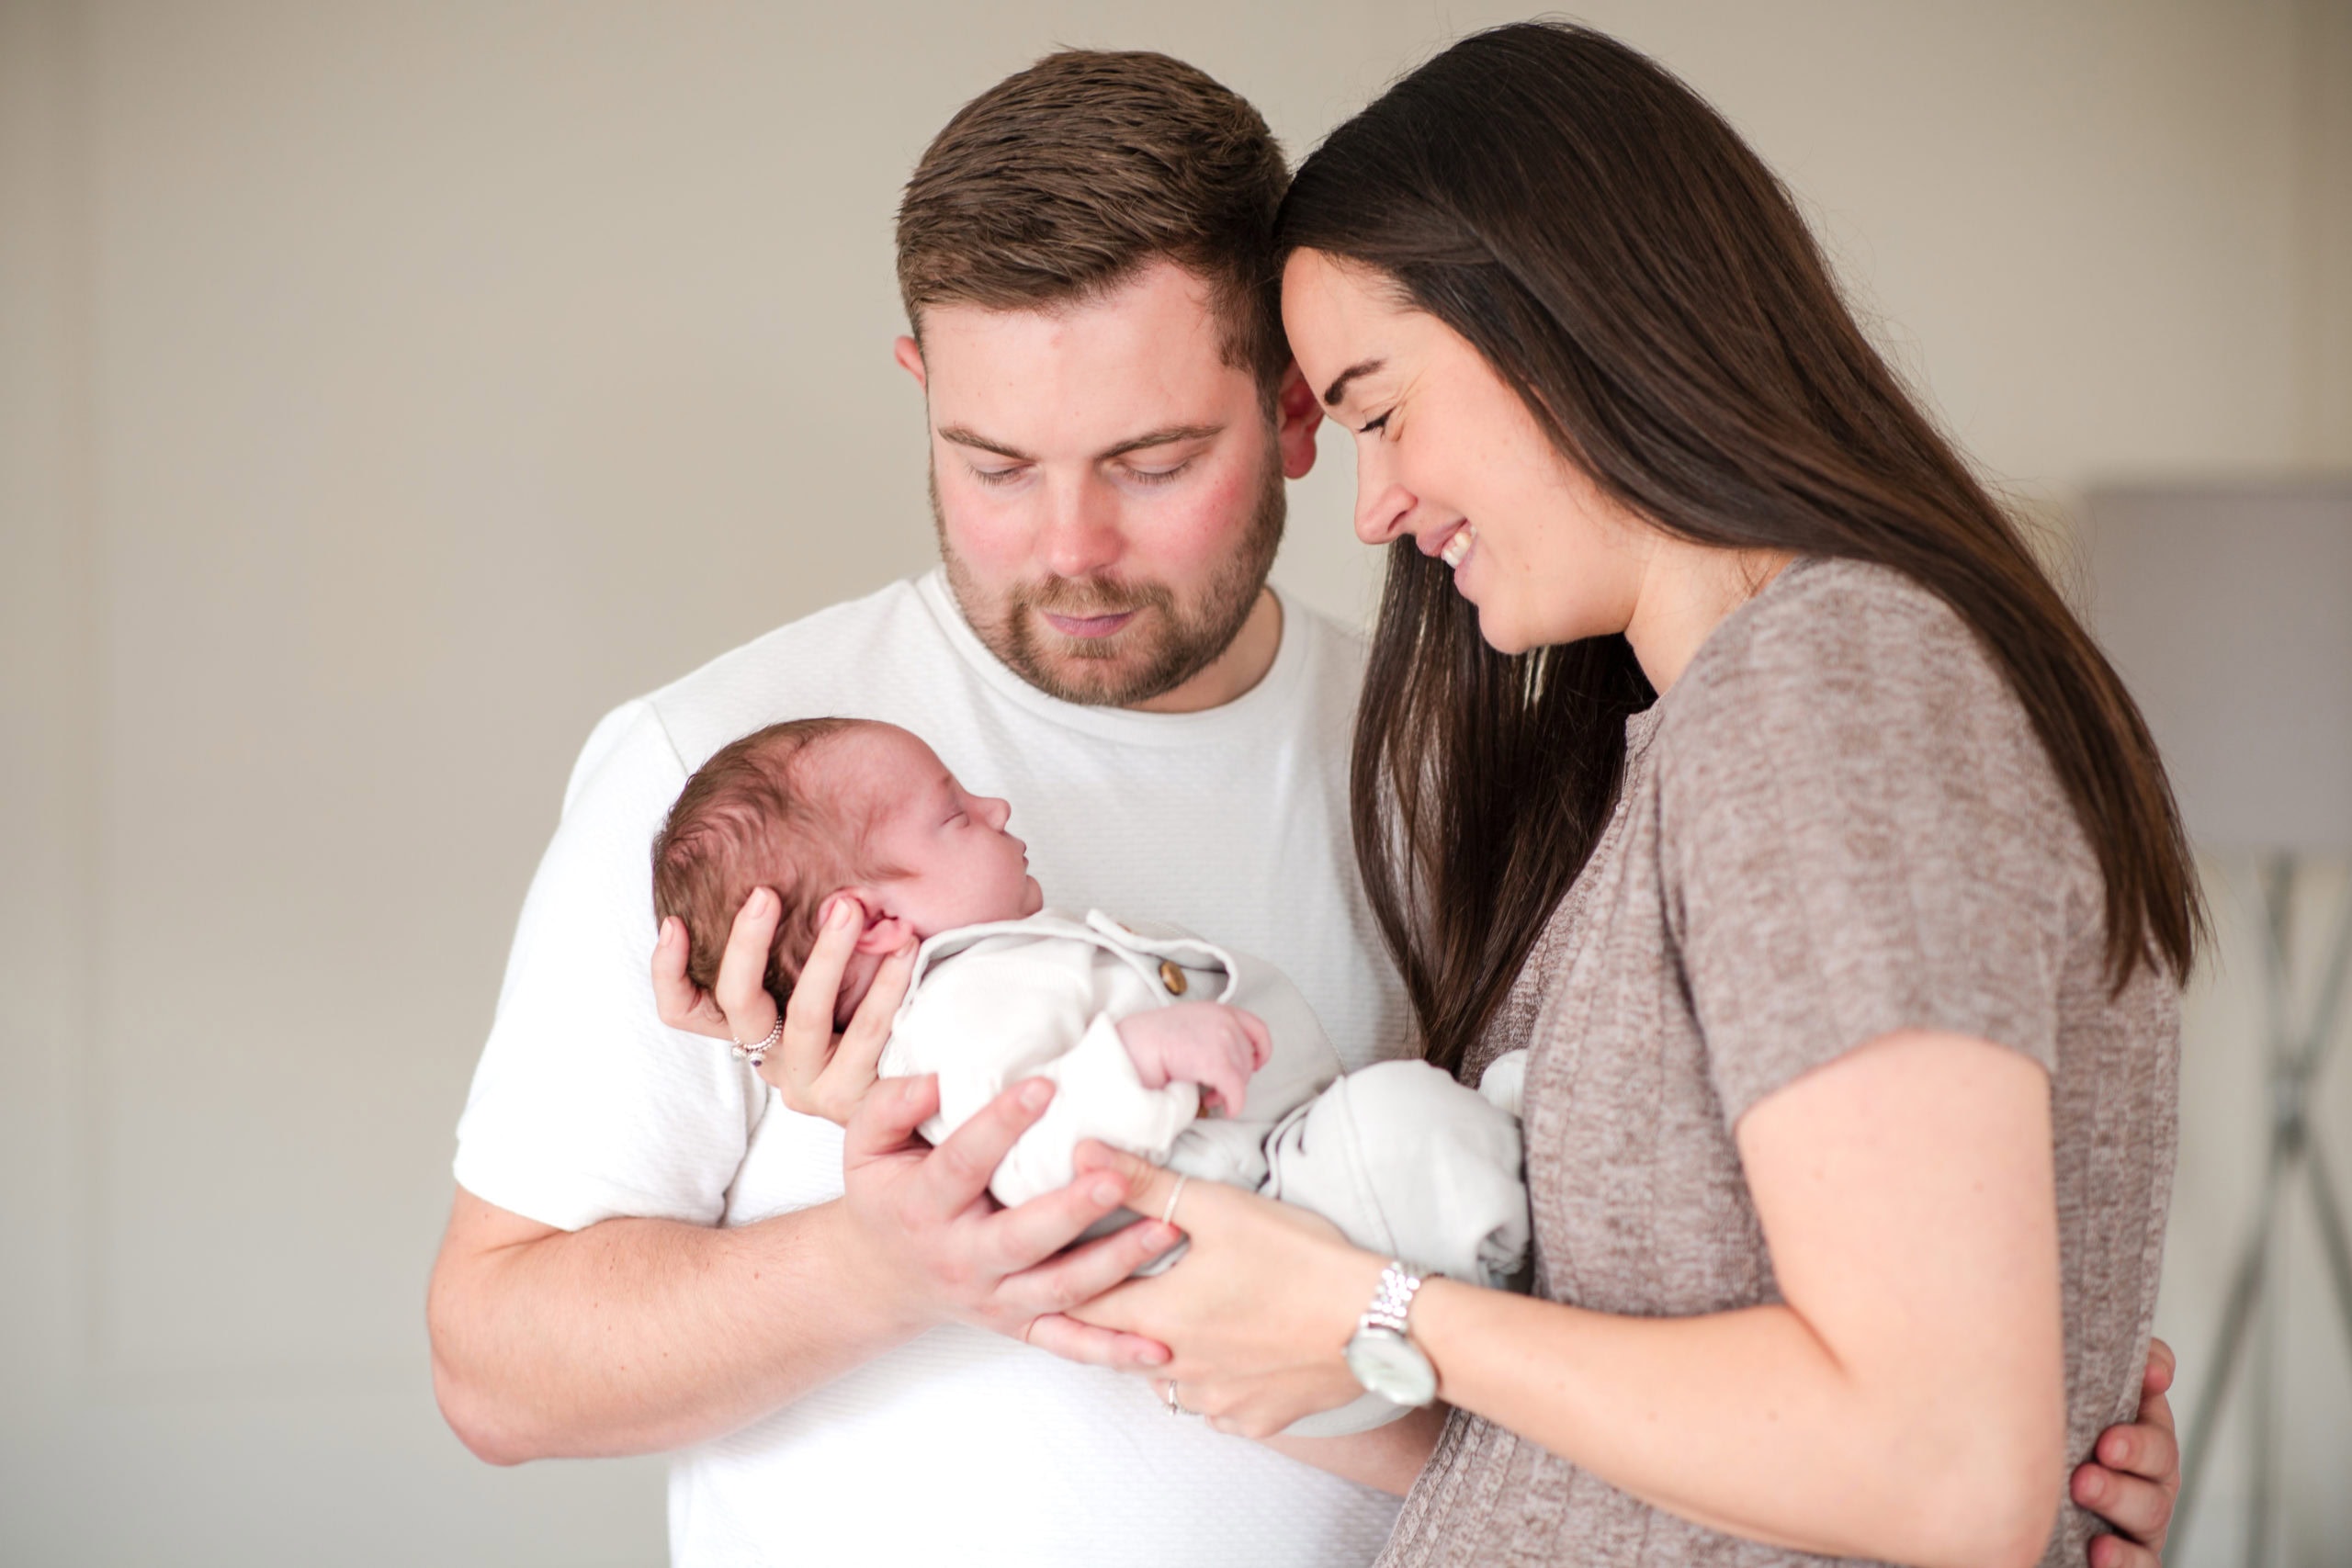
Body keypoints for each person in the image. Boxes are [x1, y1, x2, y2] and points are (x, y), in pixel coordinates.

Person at [427, 41, 2181, 1568]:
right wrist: (885, 1261)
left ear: (1287, 413)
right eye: (991, 463)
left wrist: (1988, 1474)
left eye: (1150, 461)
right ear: (921, 396)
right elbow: (493, 1367)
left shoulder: (1469, 752)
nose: (1068, 544)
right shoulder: (730, 782)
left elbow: (1644, 1323)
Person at [1050, 23, 2191, 1568]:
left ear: (1560, 317)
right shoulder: (1692, 737)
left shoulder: (1832, 684)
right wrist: (1273, 1330)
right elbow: (1638, 1450)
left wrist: (1384, 1311)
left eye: (1382, 409)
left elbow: (1938, 1467)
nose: (1378, 504)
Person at [650, 715, 1531, 1437]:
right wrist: (1139, 1059)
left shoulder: (985, 971)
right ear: (874, 922)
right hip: (1258, 1229)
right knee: (1395, 1120)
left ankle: (1493, 1174)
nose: (994, 805)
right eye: (954, 814)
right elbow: (1028, 1157)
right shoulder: (955, 1010)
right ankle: (1510, 1212)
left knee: (1404, 1121)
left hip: (1282, 1193)